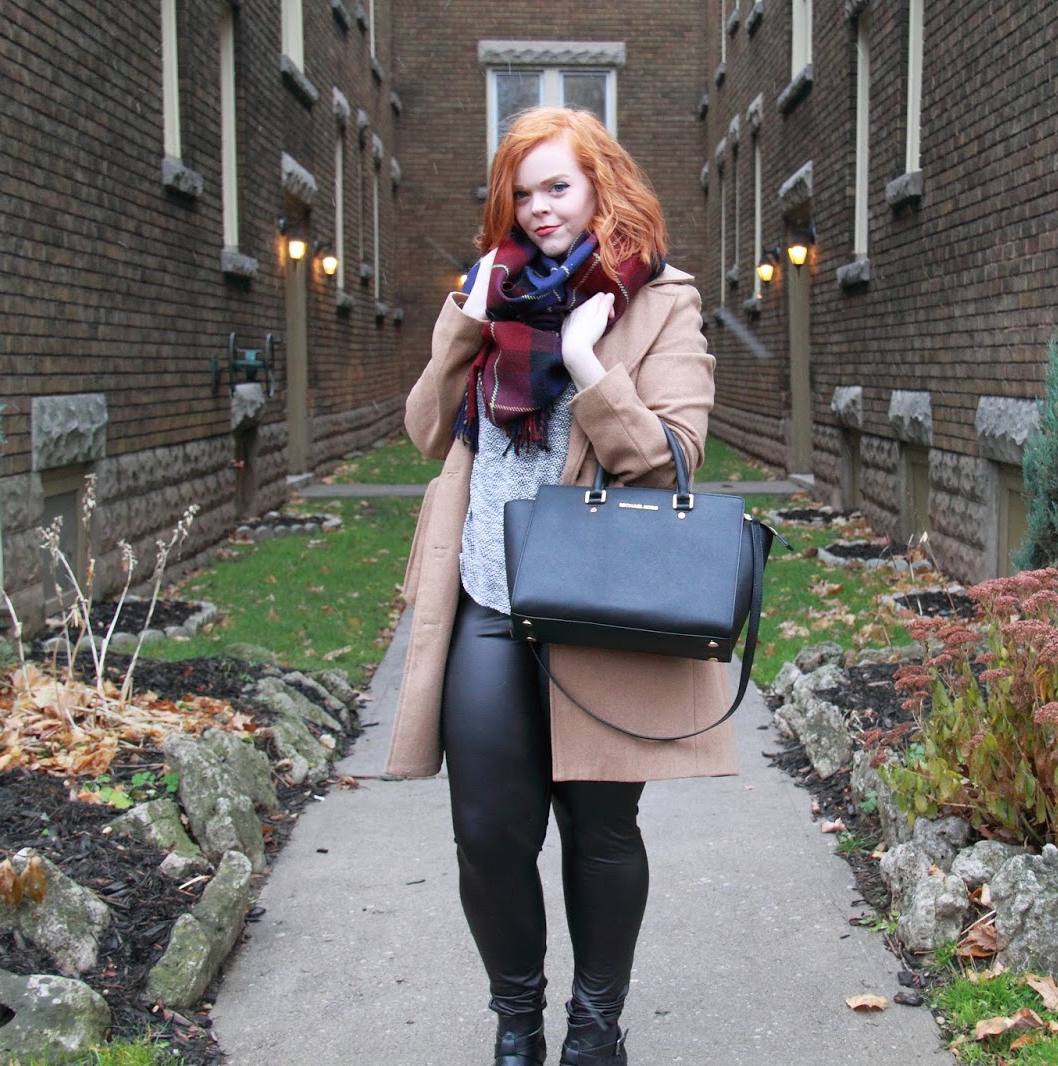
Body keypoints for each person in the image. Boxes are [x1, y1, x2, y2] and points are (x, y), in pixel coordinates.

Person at [384, 106, 737, 1066]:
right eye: (523, 192)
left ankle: (593, 1030)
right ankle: (517, 1024)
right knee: (487, 833)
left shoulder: (659, 301)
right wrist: (463, 326)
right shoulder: (487, 292)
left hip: (597, 606)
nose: (539, 208)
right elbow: (424, 432)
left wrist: (584, 362)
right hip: (490, 598)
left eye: (558, 187)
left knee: (601, 830)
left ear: (599, 188)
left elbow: (671, 460)